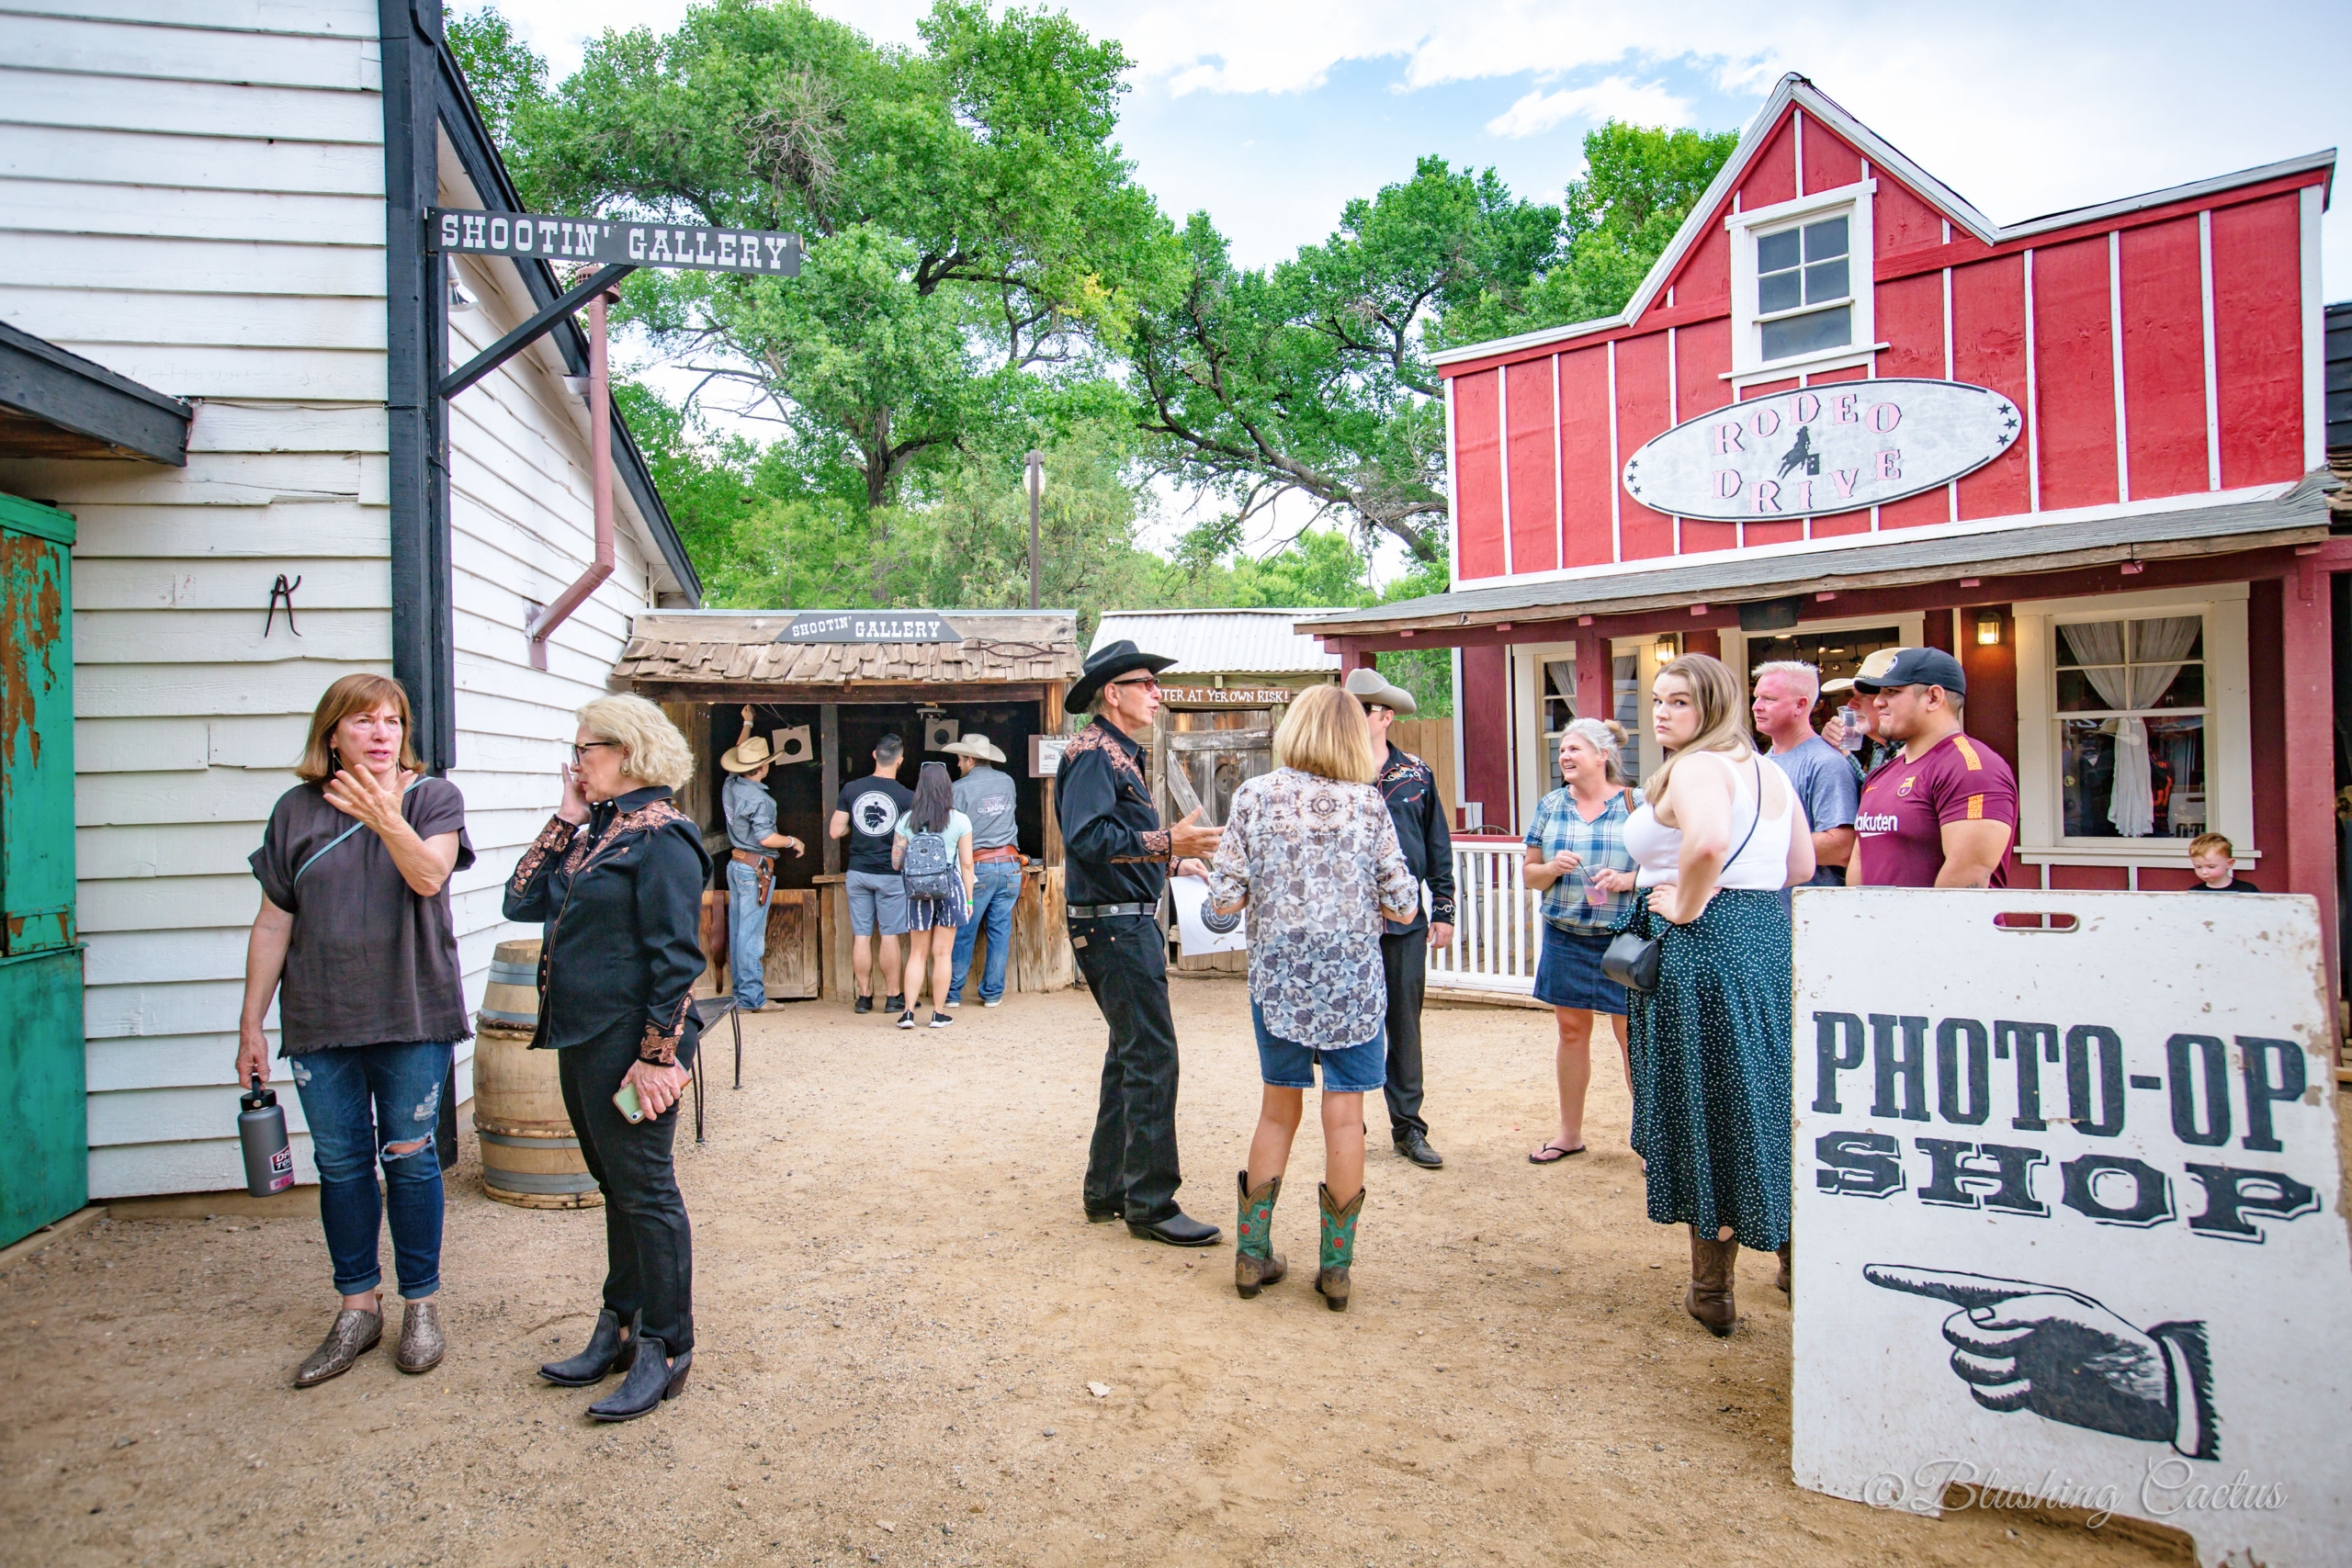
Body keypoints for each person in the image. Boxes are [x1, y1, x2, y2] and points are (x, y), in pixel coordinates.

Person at [240, 673, 474, 1387]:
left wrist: (383, 814)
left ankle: (420, 1306)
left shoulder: (432, 798)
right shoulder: (294, 812)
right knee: (341, 1167)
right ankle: (357, 1307)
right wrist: (251, 1021)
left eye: (392, 720)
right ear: (332, 734)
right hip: (320, 1017)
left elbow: (429, 876)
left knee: (409, 1158)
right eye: (363, 721)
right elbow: (274, 919)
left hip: (410, 1011)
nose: (381, 733)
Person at [508, 694, 709, 1422]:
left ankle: (668, 1342)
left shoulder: (662, 836)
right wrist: (567, 812)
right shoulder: (600, 830)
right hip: (583, 1040)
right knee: (616, 1183)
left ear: (625, 751)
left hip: (632, 1050)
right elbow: (519, 899)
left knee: (647, 1188)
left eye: (585, 749)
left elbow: (676, 961)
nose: (576, 761)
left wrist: (658, 1059)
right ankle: (619, 1324)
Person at [1620, 653, 1815, 1337]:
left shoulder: (1702, 767)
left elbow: (1706, 841)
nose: (1662, 712)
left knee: (1707, 1105)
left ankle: (1713, 1289)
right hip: (1764, 940)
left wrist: (1686, 906)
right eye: (1658, 700)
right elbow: (1801, 866)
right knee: (1764, 1095)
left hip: (1704, 948)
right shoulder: (1769, 771)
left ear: (1712, 706)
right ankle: (1796, 1261)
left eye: (1679, 701)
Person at [1209, 684, 1419, 1311]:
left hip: (1278, 979)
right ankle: (1336, 1270)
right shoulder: (1369, 806)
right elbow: (1404, 904)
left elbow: (1222, 908)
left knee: (1278, 1110)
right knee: (1346, 1117)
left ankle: (1252, 1254)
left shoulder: (1253, 796)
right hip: (1353, 980)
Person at [1057, 639, 1227, 1247]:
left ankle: (1107, 1189)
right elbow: (1088, 836)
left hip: (1123, 918)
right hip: (1112, 925)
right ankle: (1151, 1202)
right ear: (1114, 692)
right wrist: (1167, 845)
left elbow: (1118, 842)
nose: (1157, 693)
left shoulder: (1118, 756)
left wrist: (1171, 866)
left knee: (1129, 1055)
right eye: (1146, 683)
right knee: (1153, 1056)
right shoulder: (1091, 755)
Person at [1345, 668, 1457, 1171]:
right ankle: (1347, 1123)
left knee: (1403, 1025)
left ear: (1385, 716)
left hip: (1406, 921)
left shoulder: (1417, 774)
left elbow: (1438, 846)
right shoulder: (1330, 771)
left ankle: (1409, 1129)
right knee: (1347, 1021)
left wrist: (1446, 909)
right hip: (1345, 922)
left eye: (1361, 707)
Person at [1521, 717, 1641, 1165]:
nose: (1565, 756)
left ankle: (1649, 1141)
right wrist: (1551, 870)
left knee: (1633, 1037)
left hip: (1623, 940)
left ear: (1602, 757)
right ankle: (1569, 1134)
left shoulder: (1637, 803)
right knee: (1571, 1032)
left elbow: (1668, 867)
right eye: (1562, 750)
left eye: (1574, 749)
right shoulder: (1552, 805)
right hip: (1566, 935)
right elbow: (1531, 874)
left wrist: (1628, 879)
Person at [1849, 648, 2018, 889]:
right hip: (1874, 925)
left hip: (1944, 926)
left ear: (1934, 698)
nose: (1878, 701)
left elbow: (1969, 871)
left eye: (1892, 691)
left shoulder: (1972, 768)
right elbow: (1860, 858)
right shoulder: (1882, 773)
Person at [719, 706, 806, 1015]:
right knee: (751, 936)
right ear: (764, 767)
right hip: (756, 868)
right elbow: (767, 839)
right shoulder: (761, 800)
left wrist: (747, 723)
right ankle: (752, 999)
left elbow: (738, 757)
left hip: (736, 865)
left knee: (739, 932)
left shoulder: (732, 784)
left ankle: (740, 994)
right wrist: (794, 841)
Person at [1751, 661, 1860, 887]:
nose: (1756, 706)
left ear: (1800, 705)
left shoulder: (1826, 762)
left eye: (1769, 699)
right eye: (1756, 697)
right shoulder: (1762, 763)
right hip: (1771, 914)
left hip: (1809, 916)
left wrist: (1752, 842)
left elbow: (1841, 847)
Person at [831, 734, 915, 1016]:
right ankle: (893, 997)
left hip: (858, 872)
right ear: (900, 761)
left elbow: (834, 831)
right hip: (891, 874)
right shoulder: (907, 797)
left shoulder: (852, 789)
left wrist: (852, 828)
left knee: (862, 936)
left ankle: (864, 997)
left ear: (874, 755)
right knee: (890, 936)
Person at [893, 761, 976, 1030]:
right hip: (949, 888)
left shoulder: (907, 819)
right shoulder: (960, 820)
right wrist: (970, 899)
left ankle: (907, 1013)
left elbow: (896, 862)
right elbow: (966, 864)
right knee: (943, 954)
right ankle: (938, 1014)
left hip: (917, 891)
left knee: (917, 953)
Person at [943, 733, 1021, 1008]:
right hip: (1011, 865)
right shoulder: (1008, 782)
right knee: (1000, 932)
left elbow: (952, 831)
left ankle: (952, 994)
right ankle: (993, 994)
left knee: (964, 930)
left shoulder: (958, 789)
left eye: (960, 760)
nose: (957, 765)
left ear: (971, 759)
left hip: (977, 867)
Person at [1821, 647, 1905, 783]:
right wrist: (1842, 751)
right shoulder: (1881, 747)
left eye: (1865, 695)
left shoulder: (1919, 751)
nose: (1851, 704)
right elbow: (1871, 794)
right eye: (1854, 695)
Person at [2188, 832, 2260, 891]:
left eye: (2211, 867)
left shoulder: (2247, 890)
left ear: (2229, 863)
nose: (2204, 872)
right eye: (2198, 867)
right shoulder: (2194, 892)